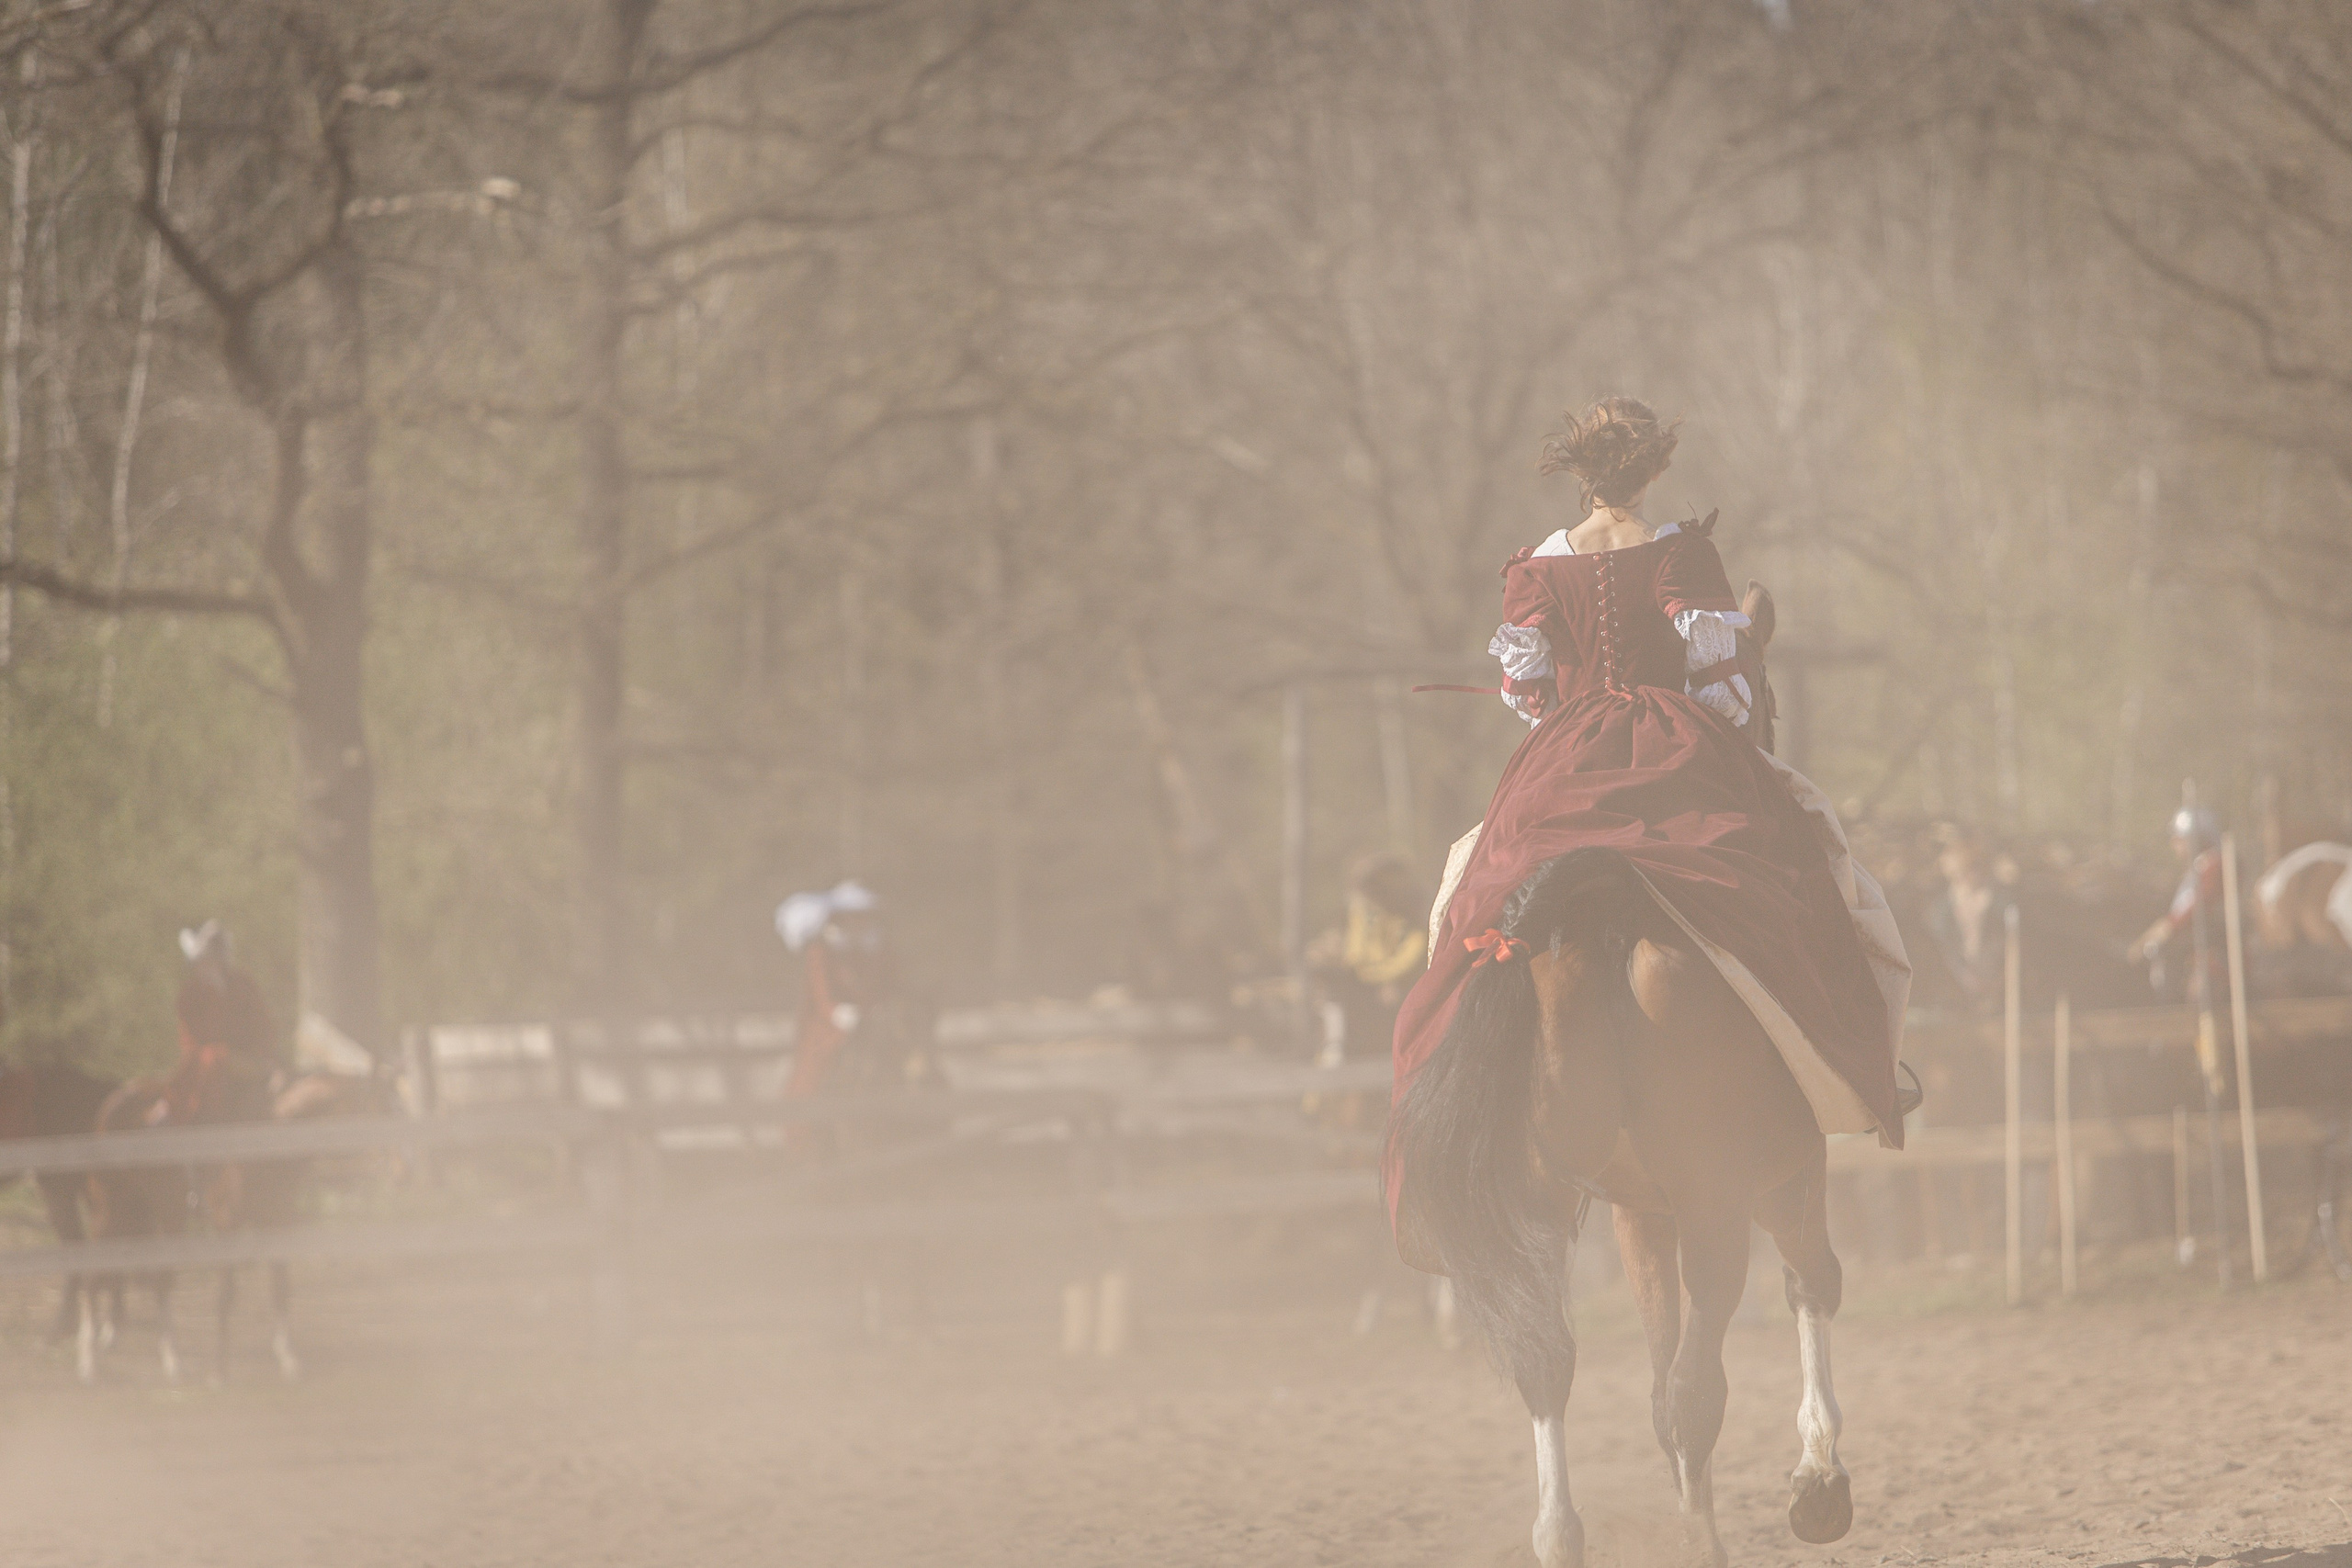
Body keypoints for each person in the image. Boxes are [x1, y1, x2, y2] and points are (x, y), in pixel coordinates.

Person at [1394, 398, 1911, 1171]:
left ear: (1579, 472)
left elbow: (1525, 692)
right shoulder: (1682, 555)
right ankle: (1860, 1068)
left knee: (1463, 886)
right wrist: (1715, 742)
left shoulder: (1534, 568)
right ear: (1657, 467)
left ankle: (1432, 1077)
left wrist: (1565, 729)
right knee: (1821, 858)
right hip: (1676, 745)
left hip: (1562, 757)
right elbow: (1727, 685)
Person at [775, 881, 890, 1099]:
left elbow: (883, 985)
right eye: (854, 916)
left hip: (870, 1020)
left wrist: (877, 1008)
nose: (860, 922)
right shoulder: (821, 951)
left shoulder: (872, 949)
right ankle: (804, 1123)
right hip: (827, 1026)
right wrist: (839, 1014)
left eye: (863, 916)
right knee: (816, 1068)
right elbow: (821, 995)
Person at [167, 921, 278, 1121]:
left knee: (220, 1060)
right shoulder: (190, 997)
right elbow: (193, 1043)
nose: (211, 965)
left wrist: (258, 1055)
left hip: (249, 1058)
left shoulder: (243, 986)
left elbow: (262, 1027)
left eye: (215, 958)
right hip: (209, 1064)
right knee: (212, 1062)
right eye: (206, 960)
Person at [1923, 827, 2017, 1015]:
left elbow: (2014, 949)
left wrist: (1996, 984)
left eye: (1976, 869)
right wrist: (1963, 978)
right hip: (1954, 993)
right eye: (1964, 872)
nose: (1970, 878)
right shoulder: (1940, 910)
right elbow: (1940, 951)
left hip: (2000, 991)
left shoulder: (2002, 904)